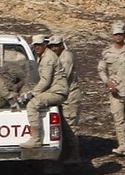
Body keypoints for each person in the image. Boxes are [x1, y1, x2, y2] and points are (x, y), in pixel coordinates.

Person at [98, 21, 125, 156]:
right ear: (112, 36)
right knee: (119, 119)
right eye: (116, 34)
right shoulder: (106, 53)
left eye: (121, 34)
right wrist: (107, 82)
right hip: (115, 91)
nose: (118, 37)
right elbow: (101, 70)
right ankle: (122, 145)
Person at [20, 33, 69, 148]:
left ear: (45, 45)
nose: (37, 47)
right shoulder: (43, 56)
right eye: (35, 45)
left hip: (57, 91)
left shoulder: (48, 58)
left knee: (32, 104)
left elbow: (45, 81)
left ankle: (36, 139)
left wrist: (33, 93)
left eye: (39, 45)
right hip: (52, 90)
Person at [48, 34, 83, 167]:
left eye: (56, 46)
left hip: (70, 96)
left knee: (70, 126)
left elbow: (63, 77)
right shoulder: (57, 57)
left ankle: (74, 155)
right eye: (51, 46)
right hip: (62, 94)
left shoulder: (66, 57)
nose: (54, 48)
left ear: (62, 45)